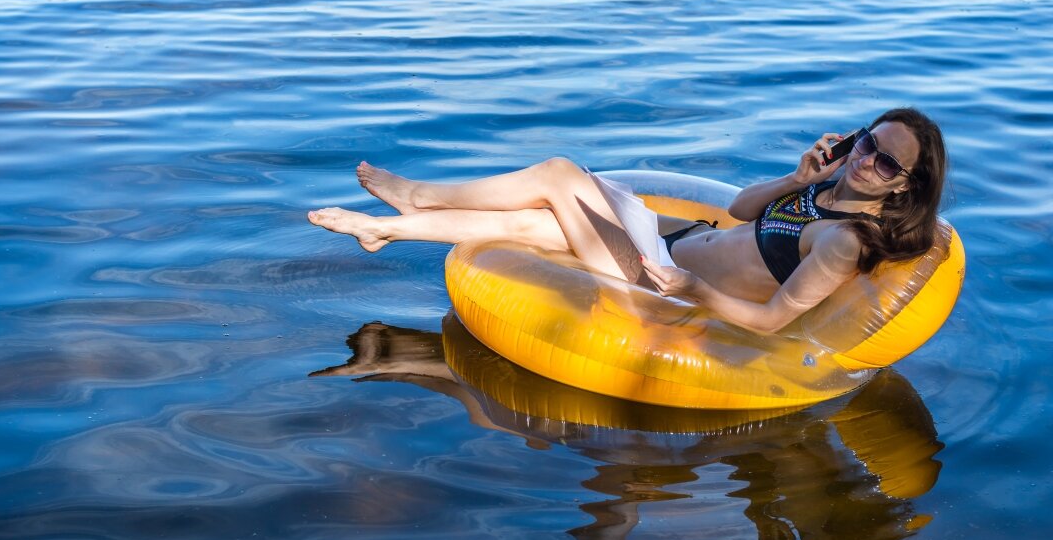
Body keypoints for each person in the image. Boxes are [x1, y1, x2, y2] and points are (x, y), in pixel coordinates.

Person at [308, 108, 947, 334]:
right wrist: (798, 179)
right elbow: (741, 212)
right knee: (539, 227)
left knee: (558, 176)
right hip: (675, 242)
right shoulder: (825, 194)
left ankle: (417, 198)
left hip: (661, 281)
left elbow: (774, 318)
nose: (866, 161)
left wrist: (696, 291)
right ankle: (383, 229)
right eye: (866, 143)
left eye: (886, 163)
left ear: (908, 185)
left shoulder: (842, 241)